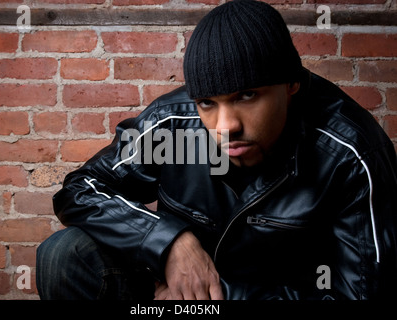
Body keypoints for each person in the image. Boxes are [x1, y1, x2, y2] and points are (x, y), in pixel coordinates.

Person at [36, 0, 397, 300]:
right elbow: (80, 190)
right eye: (208, 102)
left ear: (291, 84)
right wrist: (168, 241)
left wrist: (213, 296)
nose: (226, 126)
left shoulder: (351, 155)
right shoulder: (175, 123)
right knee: (65, 255)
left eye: (247, 96)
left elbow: (361, 294)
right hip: (169, 289)